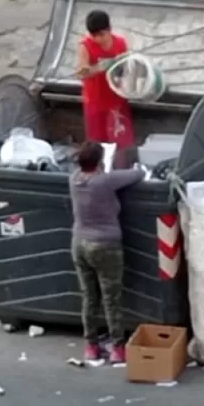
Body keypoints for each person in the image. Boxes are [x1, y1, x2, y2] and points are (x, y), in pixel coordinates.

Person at [69, 141, 145, 363]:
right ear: (100, 161)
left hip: (79, 243)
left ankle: (91, 346)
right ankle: (117, 347)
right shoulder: (104, 181)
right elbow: (137, 175)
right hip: (105, 246)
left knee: (89, 297)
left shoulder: (74, 179)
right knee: (111, 298)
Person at [76, 10, 135, 149]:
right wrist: (98, 68)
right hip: (96, 100)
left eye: (101, 35)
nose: (98, 39)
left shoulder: (120, 43)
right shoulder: (85, 46)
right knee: (97, 141)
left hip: (116, 99)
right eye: (94, 36)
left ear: (109, 30)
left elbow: (127, 68)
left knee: (120, 138)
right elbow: (81, 73)